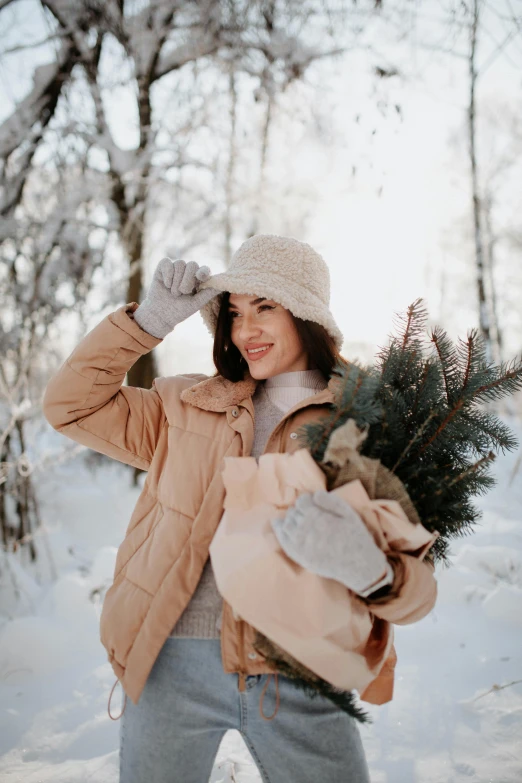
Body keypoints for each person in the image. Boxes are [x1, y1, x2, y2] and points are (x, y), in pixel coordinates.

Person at [43, 234, 437, 783]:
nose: (245, 330)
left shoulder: (365, 424)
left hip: (300, 671)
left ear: (305, 315)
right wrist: (148, 322)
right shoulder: (184, 407)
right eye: (233, 313)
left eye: (265, 308)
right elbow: (70, 405)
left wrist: (370, 571)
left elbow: (418, 590)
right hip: (171, 664)